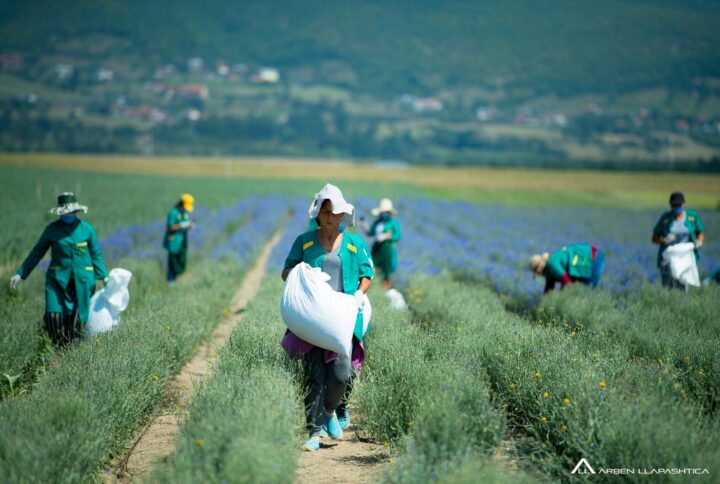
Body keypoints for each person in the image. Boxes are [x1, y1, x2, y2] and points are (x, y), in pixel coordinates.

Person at [281, 183, 374, 452]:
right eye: (325, 211)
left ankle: (331, 411)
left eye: (334, 212)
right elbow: (286, 272)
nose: (329, 216)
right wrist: (300, 273)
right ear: (318, 215)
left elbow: (368, 274)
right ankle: (313, 432)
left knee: (341, 374)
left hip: (342, 317)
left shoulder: (355, 243)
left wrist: (358, 293)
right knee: (314, 375)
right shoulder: (304, 242)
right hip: (312, 317)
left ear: (342, 215)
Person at [9, 192, 108, 346]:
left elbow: (96, 255)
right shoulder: (52, 230)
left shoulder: (87, 230)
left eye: (70, 212)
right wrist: (20, 274)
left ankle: (75, 351)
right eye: (64, 213)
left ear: (76, 212)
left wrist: (104, 277)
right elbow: (37, 252)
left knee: (77, 320)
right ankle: (58, 347)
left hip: (82, 281)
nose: (67, 215)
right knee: (53, 317)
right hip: (57, 280)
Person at [652, 192, 704, 290]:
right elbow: (654, 237)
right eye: (674, 205)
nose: (676, 207)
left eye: (678, 205)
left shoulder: (692, 217)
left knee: (683, 286)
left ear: (684, 203)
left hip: (686, 258)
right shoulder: (665, 219)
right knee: (668, 287)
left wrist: (699, 241)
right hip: (668, 258)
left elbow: (700, 232)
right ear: (670, 205)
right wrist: (663, 240)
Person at [529, 243, 605, 293]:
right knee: (583, 292)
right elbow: (549, 288)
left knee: (588, 291)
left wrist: (562, 298)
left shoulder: (552, 264)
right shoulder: (548, 270)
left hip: (591, 259)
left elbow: (567, 282)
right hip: (588, 258)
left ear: (539, 269)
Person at [365, 198, 401, 289]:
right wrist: (364, 225)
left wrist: (387, 236)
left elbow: (397, 236)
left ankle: (385, 287)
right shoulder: (377, 222)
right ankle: (371, 285)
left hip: (387, 249)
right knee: (372, 266)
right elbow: (370, 233)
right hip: (377, 248)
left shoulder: (393, 222)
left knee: (386, 270)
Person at [163, 194, 194, 281]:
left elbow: (185, 222)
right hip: (173, 241)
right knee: (172, 262)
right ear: (182, 203)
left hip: (182, 241)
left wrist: (188, 226)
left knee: (180, 260)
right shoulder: (173, 212)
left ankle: (175, 279)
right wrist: (181, 225)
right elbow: (170, 227)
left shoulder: (184, 213)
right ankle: (170, 281)